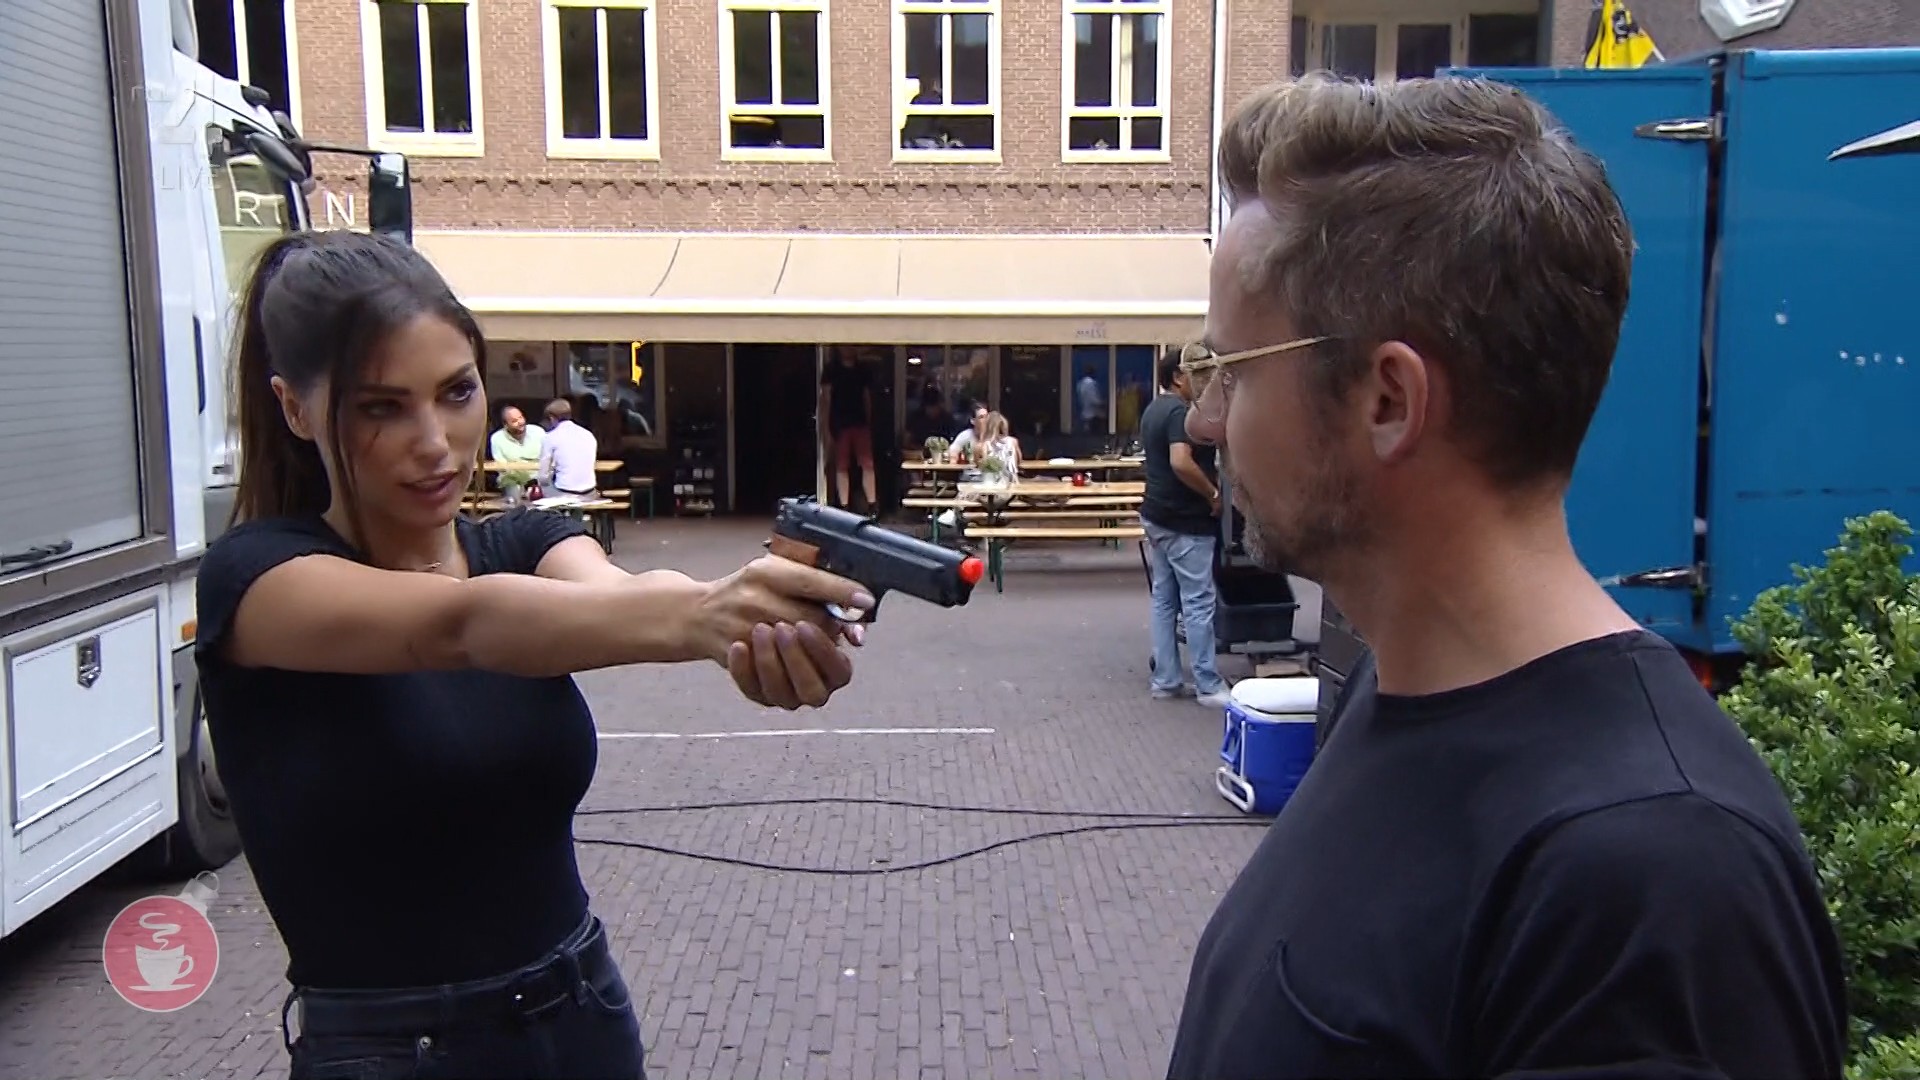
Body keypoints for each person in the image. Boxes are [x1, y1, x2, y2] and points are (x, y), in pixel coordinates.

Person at [1165, 74, 1845, 1079]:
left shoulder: (1654, 877)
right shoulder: (1391, 692)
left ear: (1389, 400)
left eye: (1235, 368)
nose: (1205, 419)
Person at [195, 230, 875, 1080]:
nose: (435, 441)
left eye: (457, 391)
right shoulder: (257, 579)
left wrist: (759, 620)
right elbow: (460, 625)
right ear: (295, 409)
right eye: (381, 407)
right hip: (395, 1053)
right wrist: (708, 613)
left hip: (580, 1013)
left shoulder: (523, 541)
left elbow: (619, 595)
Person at [1138, 346, 1228, 709]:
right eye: (1199, 373)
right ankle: (1208, 684)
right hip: (1185, 520)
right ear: (1178, 377)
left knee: (1164, 600)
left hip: (1156, 515)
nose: (1205, 381)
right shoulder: (1179, 412)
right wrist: (1213, 494)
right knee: (1198, 602)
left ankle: (1166, 679)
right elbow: (1181, 461)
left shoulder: (1154, 408)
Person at [818, 348, 876, 510]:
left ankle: (872, 504)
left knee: (867, 464)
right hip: (839, 423)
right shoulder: (831, 369)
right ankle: (844, 505)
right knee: (841, 465)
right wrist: (826, 425)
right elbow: (826, 399)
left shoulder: (862, 369)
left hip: (860, 422)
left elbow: (867, 397)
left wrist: (868, 421)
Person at [536, 396, 599, 499]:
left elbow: (543, 475)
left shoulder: (550, 437)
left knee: (541, 487)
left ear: (551, 417)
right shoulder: (588, 434)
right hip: (590, 491)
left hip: (564, 492)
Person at [489, 404, 543, 503]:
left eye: (521, 417)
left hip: (539, 479)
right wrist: (524, 479)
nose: (520, 422)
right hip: (513, 479)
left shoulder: (538, 431)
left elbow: (548, 458)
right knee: (510, 484)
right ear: (505, 424)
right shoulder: (497, 438)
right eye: (514, 421)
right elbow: (502, 467)